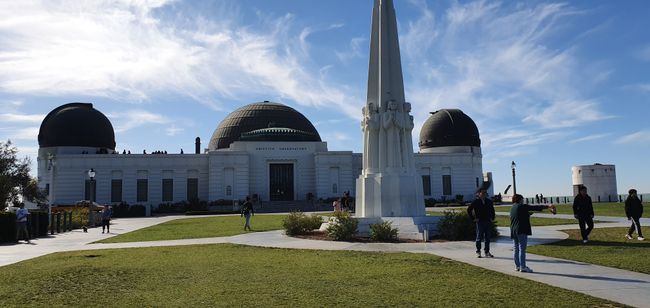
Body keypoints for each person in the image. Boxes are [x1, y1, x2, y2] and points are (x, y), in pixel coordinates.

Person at [510, 194, 556, 272]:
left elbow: (518, 216)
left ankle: (517, 266)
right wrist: (548, 206)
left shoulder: (512, 208)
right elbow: (534, 207)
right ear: (519, 199)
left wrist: (527, 214)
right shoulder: (522, 206)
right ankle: (523, 267)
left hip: (514, 231)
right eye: (522, 199)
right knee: (522, 249)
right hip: (521, 230)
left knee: (516, 249)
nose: (523, 200)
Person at [467, 189, 495, 258]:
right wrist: (473, 218)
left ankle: (487, 252)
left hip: (488, 221)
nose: (483, 195)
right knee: (479, 237)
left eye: (485, 193)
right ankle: (478, 252)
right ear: (479, 194)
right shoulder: (476, 201)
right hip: (480, 222)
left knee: (487, 238)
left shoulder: (489, 201)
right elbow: (469, 209)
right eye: (482, 193)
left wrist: (492, 218)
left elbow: (492, 210)